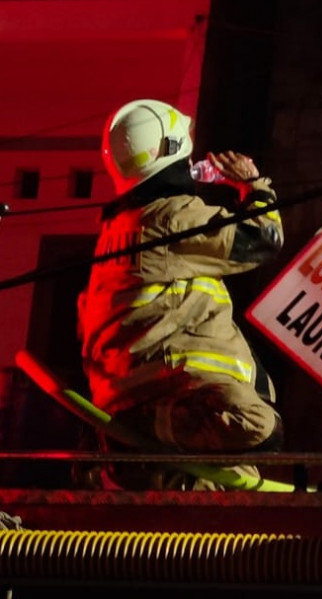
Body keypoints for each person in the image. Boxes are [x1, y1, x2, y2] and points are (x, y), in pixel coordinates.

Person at [78, 99, 285, 490]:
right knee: (259, 425)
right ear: (172, 152)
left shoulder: (113, 233)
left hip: (136, 398)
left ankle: (142, 441)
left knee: (227, 485)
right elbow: (263, 238)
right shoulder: (171, 217)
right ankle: (150, 429)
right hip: (180, 387)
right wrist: (253, 186)